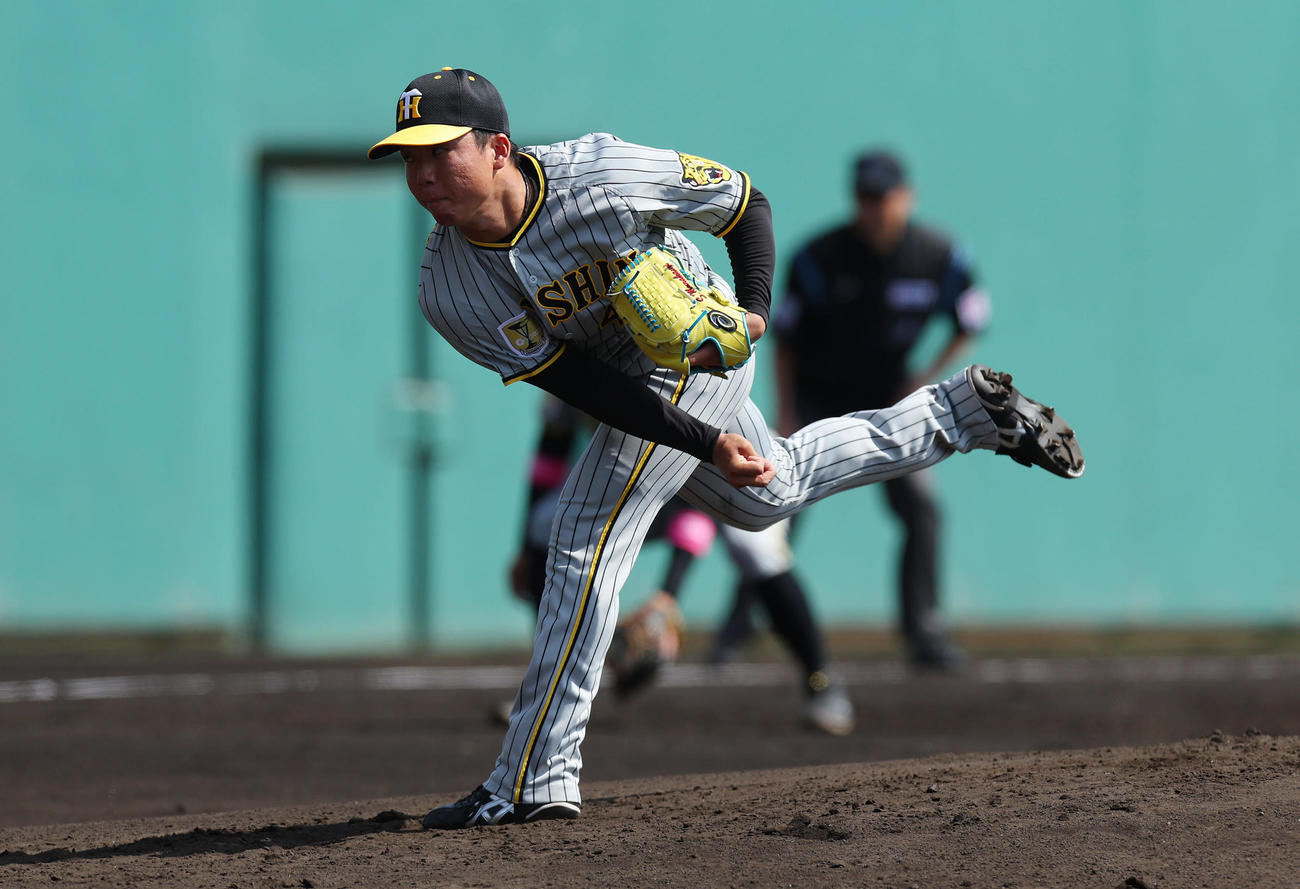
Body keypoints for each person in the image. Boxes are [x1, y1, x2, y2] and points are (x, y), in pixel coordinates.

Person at [366, 67, 1083, 829]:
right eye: (409, 158)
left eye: (439, 152)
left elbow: (744, 203)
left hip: (700, 350)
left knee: (582, 534)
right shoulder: (448, 288)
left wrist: (755, 313)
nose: (422, 174)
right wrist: (708, 444)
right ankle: (963, 410)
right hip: (637, 390)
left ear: (499, 147)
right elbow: (586, 388)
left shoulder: (600, 173)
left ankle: (535, 776)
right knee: (774, 491)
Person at [765, 148, 992, 669]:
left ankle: (924, 632)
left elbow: (972, 319)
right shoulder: (818, 257)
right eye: (864, 198)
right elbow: (787, 342)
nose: (873, 208)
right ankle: (739, 629)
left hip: (889, 399)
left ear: (906, 197)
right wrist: (786, 412)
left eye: (882, 197)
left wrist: (924, 377)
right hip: (819, 398)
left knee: (922, 510)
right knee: (775, 508)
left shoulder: (941, 255)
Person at [508, 396, 854, 735]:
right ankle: (550, 689)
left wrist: (669, 594)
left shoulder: (666, 360)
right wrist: (525, 548)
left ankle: (821, 681)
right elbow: (549, 458)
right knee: (545, 525)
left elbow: (694, 503)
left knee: (755, 551)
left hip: (735, 466)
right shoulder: (574, 358)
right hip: (648, 477)